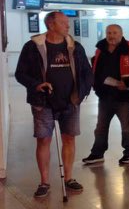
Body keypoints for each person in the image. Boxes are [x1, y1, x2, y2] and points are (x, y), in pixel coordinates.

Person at [15, 10, 93, 197]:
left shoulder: (75, 47)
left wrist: (82, 93)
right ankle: (44, 182)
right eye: (64, 22)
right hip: (43, 102)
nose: (68, 26)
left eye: (67, 22)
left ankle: (68, 178)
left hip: (71, 101)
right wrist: (37, 85)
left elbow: (87, 73)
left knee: (69, 139)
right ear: (51, 25)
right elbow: (20, 73)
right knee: (44, 140)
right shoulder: (32, 47)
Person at [81, 24, 129, 166]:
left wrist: (128, 82)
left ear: (121, 34)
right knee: (101, 127)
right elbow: (96, 70)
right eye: (109, 33)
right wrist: (97, 88)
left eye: (115, 33)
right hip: (105, 97)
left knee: (127, 127)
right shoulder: (100, 50)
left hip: (125, 96)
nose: (111, 36)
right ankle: (97, 153)